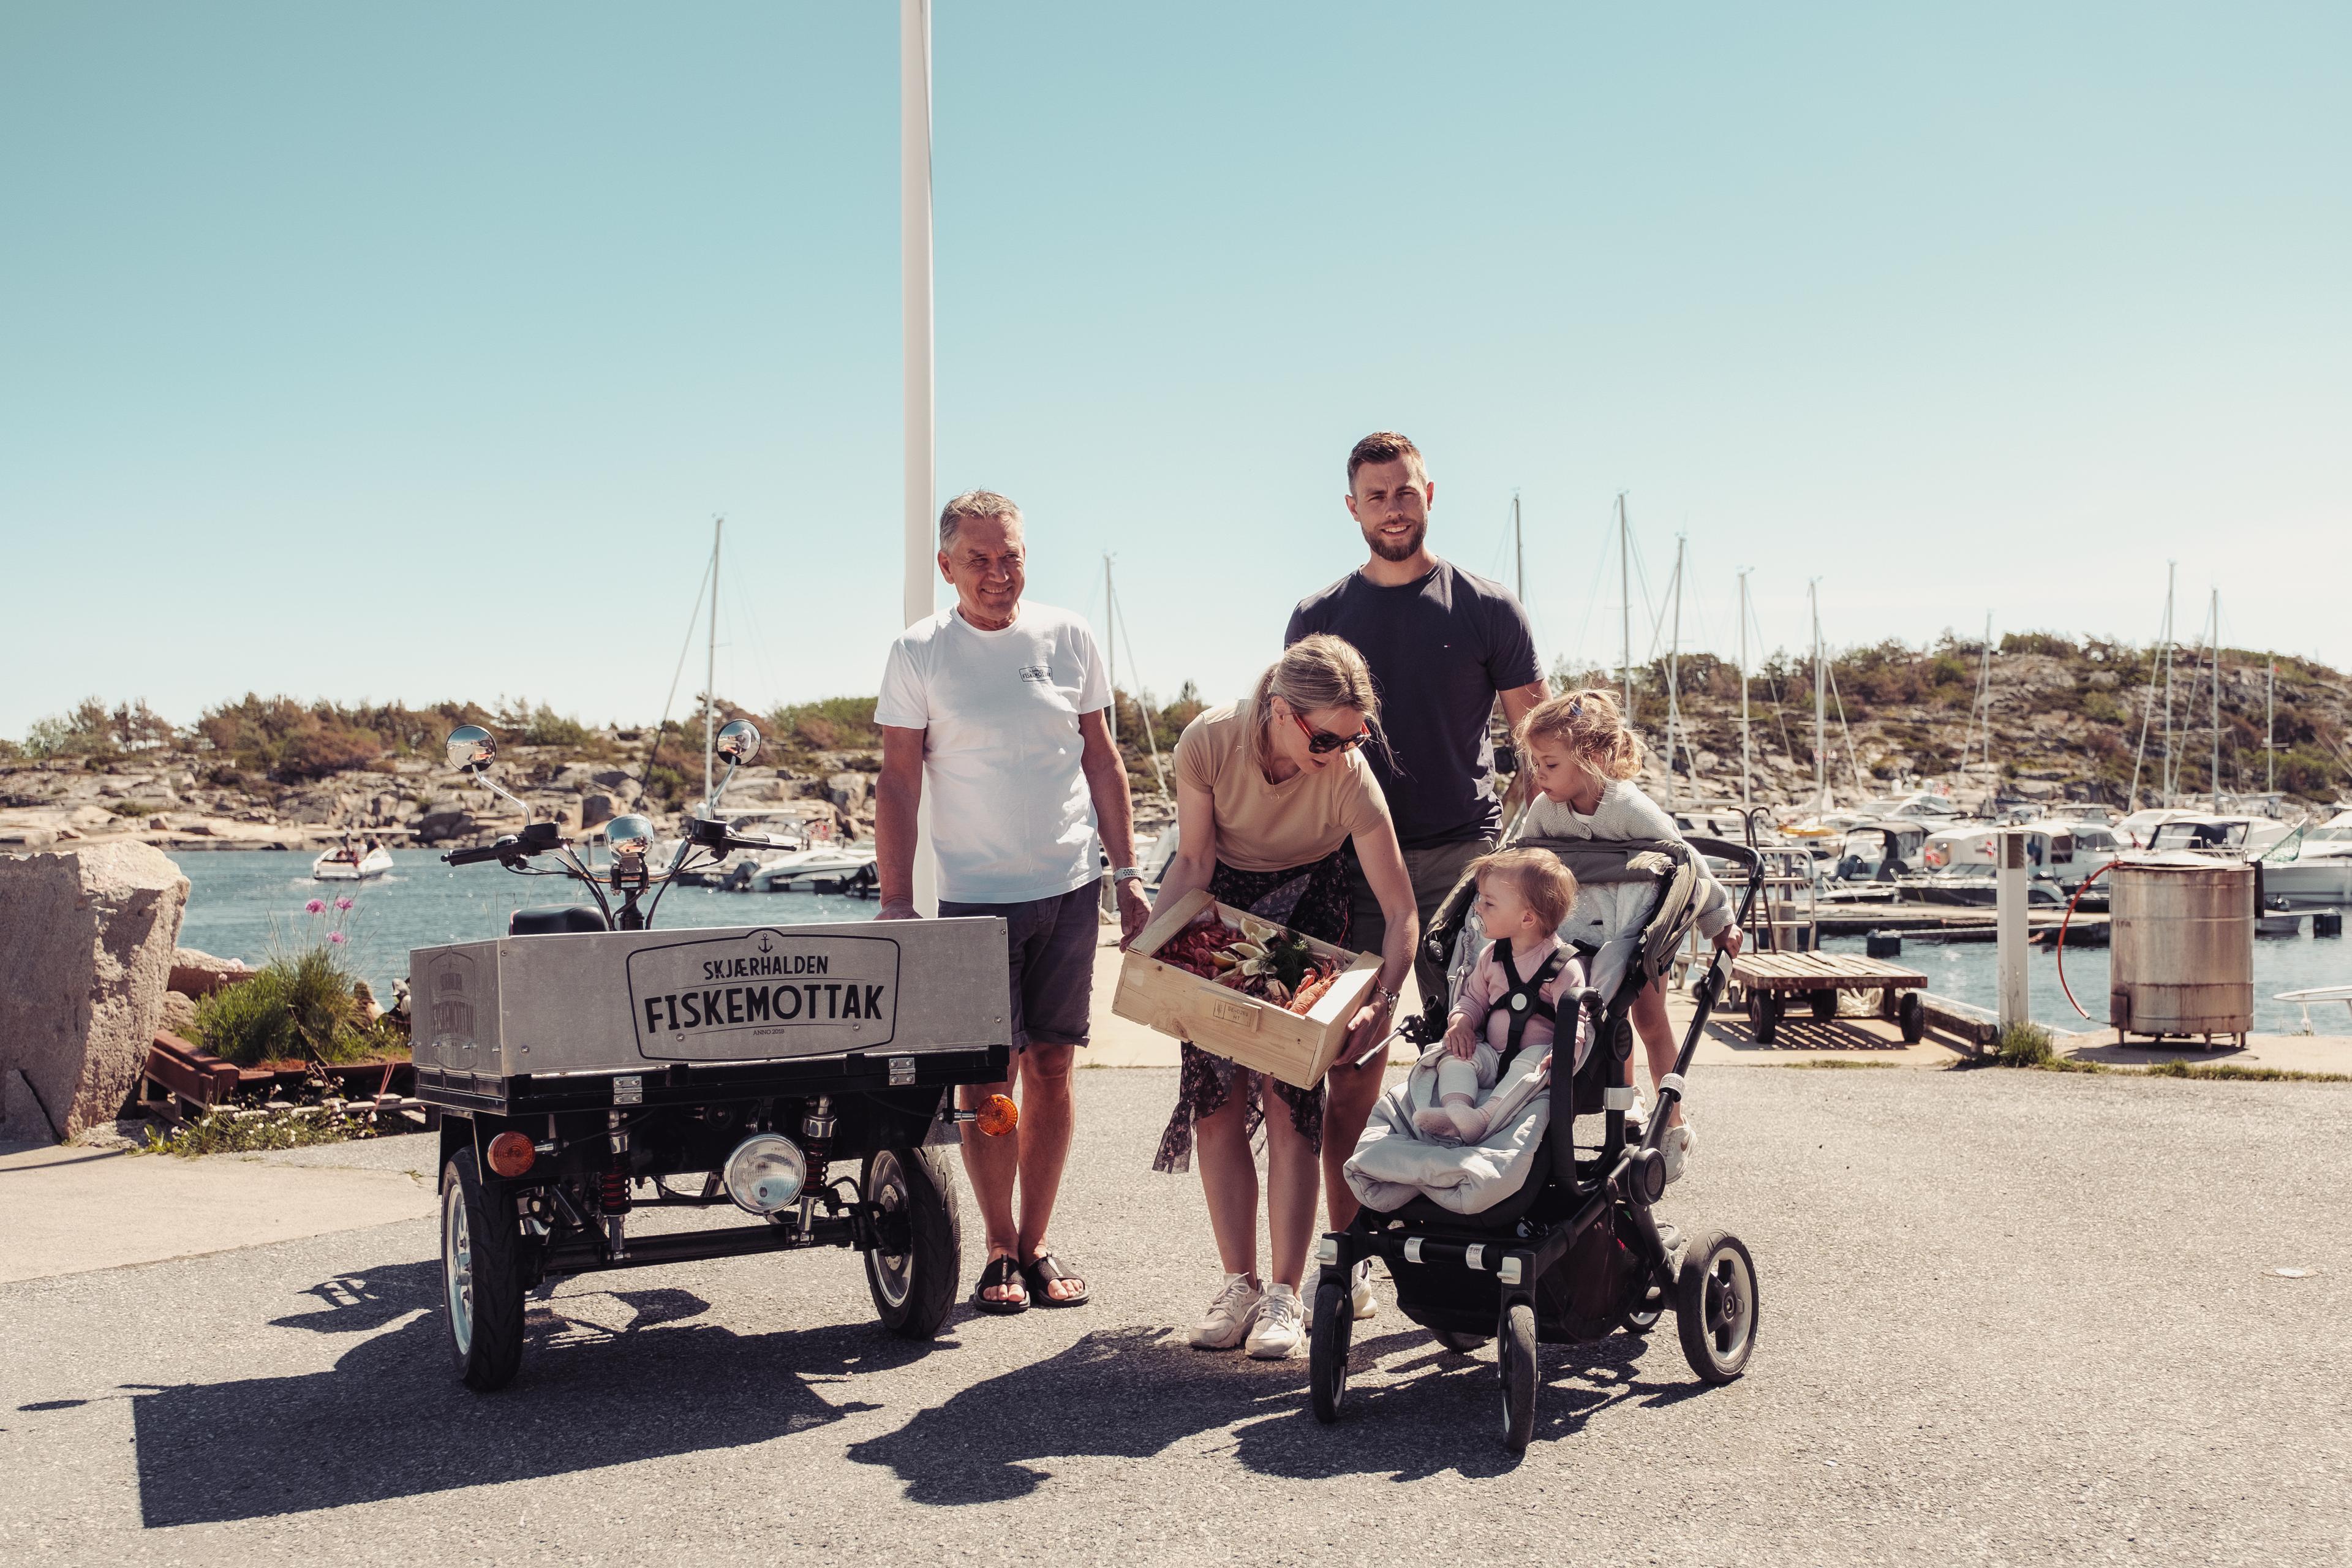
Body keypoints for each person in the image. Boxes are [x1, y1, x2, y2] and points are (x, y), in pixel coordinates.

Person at [1284, 431, 1549, 1300]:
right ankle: (1349, 1255)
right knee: (1352, 1063)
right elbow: (1288, 740)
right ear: (1351, 506)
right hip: (1352, 861)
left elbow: (1536, 736)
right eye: (1377, 494)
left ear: (1430, 493)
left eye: (1406, 491)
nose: (1394, 507)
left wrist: (1537, 846)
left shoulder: (1485, 607)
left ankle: (1484, 1245)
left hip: (1465, 860)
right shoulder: (1319, 616)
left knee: (1484, 1054)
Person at [874, 489, 1151, 1314]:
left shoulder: (1069, 636)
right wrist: (896, 900)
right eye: (981, 560)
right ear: (946, 565)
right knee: (988, 1081)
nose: (999, 575)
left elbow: (1103, 761)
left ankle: (1037, 1242)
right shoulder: (920, 651)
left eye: (1013, 556)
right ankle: (997, 1245)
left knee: (1056, 1068)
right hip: (972, 901)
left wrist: (1128, 871)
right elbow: (897, 780)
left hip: (1067, 889)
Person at [1147, 635, 1418, 1360]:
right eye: (1327, 735)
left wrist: (1382, 1003)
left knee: (1289, 1093)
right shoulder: (1209, 741)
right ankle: (1238, 1282)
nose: (1342, 747)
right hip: (1222, 901)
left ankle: (1286, 1295)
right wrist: (1152, 942)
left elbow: (1400, 913)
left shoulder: (1350, 779)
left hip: (1310, 906)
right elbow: (1195, 859)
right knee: (1214, 1097)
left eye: (1355, 734)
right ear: (1280, 711)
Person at [1513, 688, 1740, 1181]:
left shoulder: (1628, 808)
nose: (1539, 776)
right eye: (1536, 764)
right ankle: (1626, 1098)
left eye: (1548, 764)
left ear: (1592, 758)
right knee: (1598, 1014)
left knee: (1649, 1017)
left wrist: (1719, 922)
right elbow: (1520, 859)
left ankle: (1673, 1120)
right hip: (1583, 927)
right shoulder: (1546, 813)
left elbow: (1687, 863)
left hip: (1643, 925)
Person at [1417, 848, 1583, 1144]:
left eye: (1489, 903)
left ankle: (1484, 1118)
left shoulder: (1563, 967)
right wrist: (1462, 1023)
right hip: (1492, 1055)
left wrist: (1565, 1053)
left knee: (1532, 1063)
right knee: (1455, 1056)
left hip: (1533, 1058)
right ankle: (1456, 1109)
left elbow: (1577, 1022)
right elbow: (1472, 1000)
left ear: (1527, 919)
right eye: (1479, 898)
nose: (1478, 907)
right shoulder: (1491, 956)